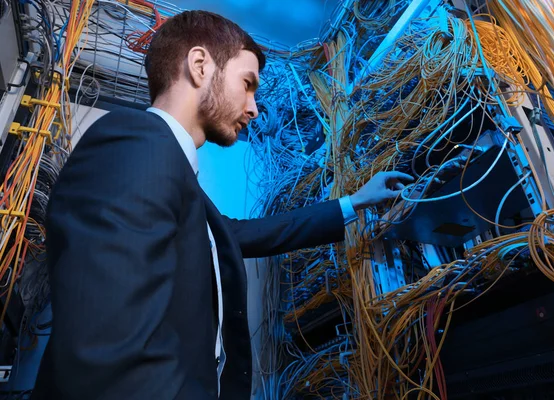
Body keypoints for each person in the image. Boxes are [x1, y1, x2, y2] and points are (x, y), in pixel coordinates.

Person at [32, 10, 412, 400]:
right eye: (247, 85)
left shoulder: (172, 174)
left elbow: (247, 234)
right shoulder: (134, 142)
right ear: (199, 66)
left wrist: (355, 201)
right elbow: (106, 349)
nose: (254, 108)